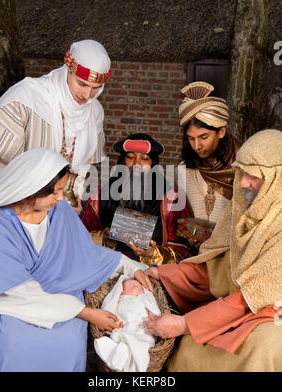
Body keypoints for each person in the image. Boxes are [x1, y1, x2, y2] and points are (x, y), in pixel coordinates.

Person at [0, 147, 153, 372]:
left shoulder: (59, 211)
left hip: (62, 295)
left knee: (69, 340)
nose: (62, 198)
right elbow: (16, 291)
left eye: (63, 190)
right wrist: (87, 313)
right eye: (56, 192)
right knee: (12, 343)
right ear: (31, 189)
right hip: (9, 303)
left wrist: (130, 266)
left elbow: (85, 252)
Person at [144, 129, 282, 372]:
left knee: (264, 348)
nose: (243, 184)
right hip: (241, 308)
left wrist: (184, 323)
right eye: (241, 173)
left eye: (254, 177)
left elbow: (248, 298)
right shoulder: (244, 210)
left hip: (271, 316)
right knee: (189, 348)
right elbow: (218, 271)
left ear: (276, 181)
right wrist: (163, 273)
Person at [0, 39, 112, 213]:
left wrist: (73, 195)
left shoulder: (94, 112)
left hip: (55, 209)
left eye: (96, 87)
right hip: (9, 208)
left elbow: (83, 165)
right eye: (82, 84)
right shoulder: (26, 97)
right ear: (68, 70)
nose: (87, 95)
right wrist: (27, 203)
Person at [82, 133, 191, 265]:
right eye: (130, 157)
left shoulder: (170, 199)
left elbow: (184, 253)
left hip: (152, 272)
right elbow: (81, 238)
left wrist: (153, 253)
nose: (136, 164)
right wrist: (102, 239)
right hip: (109, 266)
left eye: (144, 159)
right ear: (122, 161)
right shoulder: (102, 194)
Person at [177, 82, 241, 248]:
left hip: (229, 255)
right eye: (191, 138)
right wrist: (188, 235)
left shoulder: (243, 169)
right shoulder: (184, 170)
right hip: (194, 253)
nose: (197, 146)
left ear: (221, 132)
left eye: (203, 137)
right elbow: (183, 217)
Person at [94, 275, 160, 372]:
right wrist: (116, 323)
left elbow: (155, 311)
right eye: (133, 285)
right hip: (126, 325)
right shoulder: (121, 301)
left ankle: (125, 349)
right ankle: (126, 345)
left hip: (144, 326)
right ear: (121, 292)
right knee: (126, 328)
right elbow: (113, 313)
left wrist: (152, 315)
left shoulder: (144, 299)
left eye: (139, 285)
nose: (138, 286)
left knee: (147, 336)